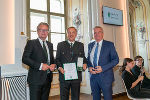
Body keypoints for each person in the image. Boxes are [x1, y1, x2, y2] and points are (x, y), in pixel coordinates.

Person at [22, 22, 55, 100]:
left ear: (48, 32)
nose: (43, 32)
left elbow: (52, 60)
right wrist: (40, 66)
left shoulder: (50, 45)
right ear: (37, 31)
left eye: (46, 30)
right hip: (35, 80)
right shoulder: (31, 43)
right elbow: (25, 58)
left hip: (48, 79)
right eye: (41, 30)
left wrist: (54, 65)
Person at [87, 26, 119, 100]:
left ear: (102, 33)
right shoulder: (90, 45)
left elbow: (116, 60)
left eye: (99, 32)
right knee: (95, 98)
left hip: (106, 77)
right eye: (95, 33)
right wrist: (89, 67)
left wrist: (103, 68)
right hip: (93, 77)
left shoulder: (109, 45)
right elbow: (88, 59)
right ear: (93, 35)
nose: (97, 34)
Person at [56, 27, 87, 100]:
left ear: (76, 34)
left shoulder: (80, 45)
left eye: (73, 32)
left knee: (76, 97)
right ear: (67, 34)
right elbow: (57, 59)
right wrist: (60, 67)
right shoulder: (60, 45)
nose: (71, 34)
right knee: (64, 97)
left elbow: (83, 57)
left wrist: (85, 63)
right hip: (64, 76)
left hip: (76, 76)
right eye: (69, 32)